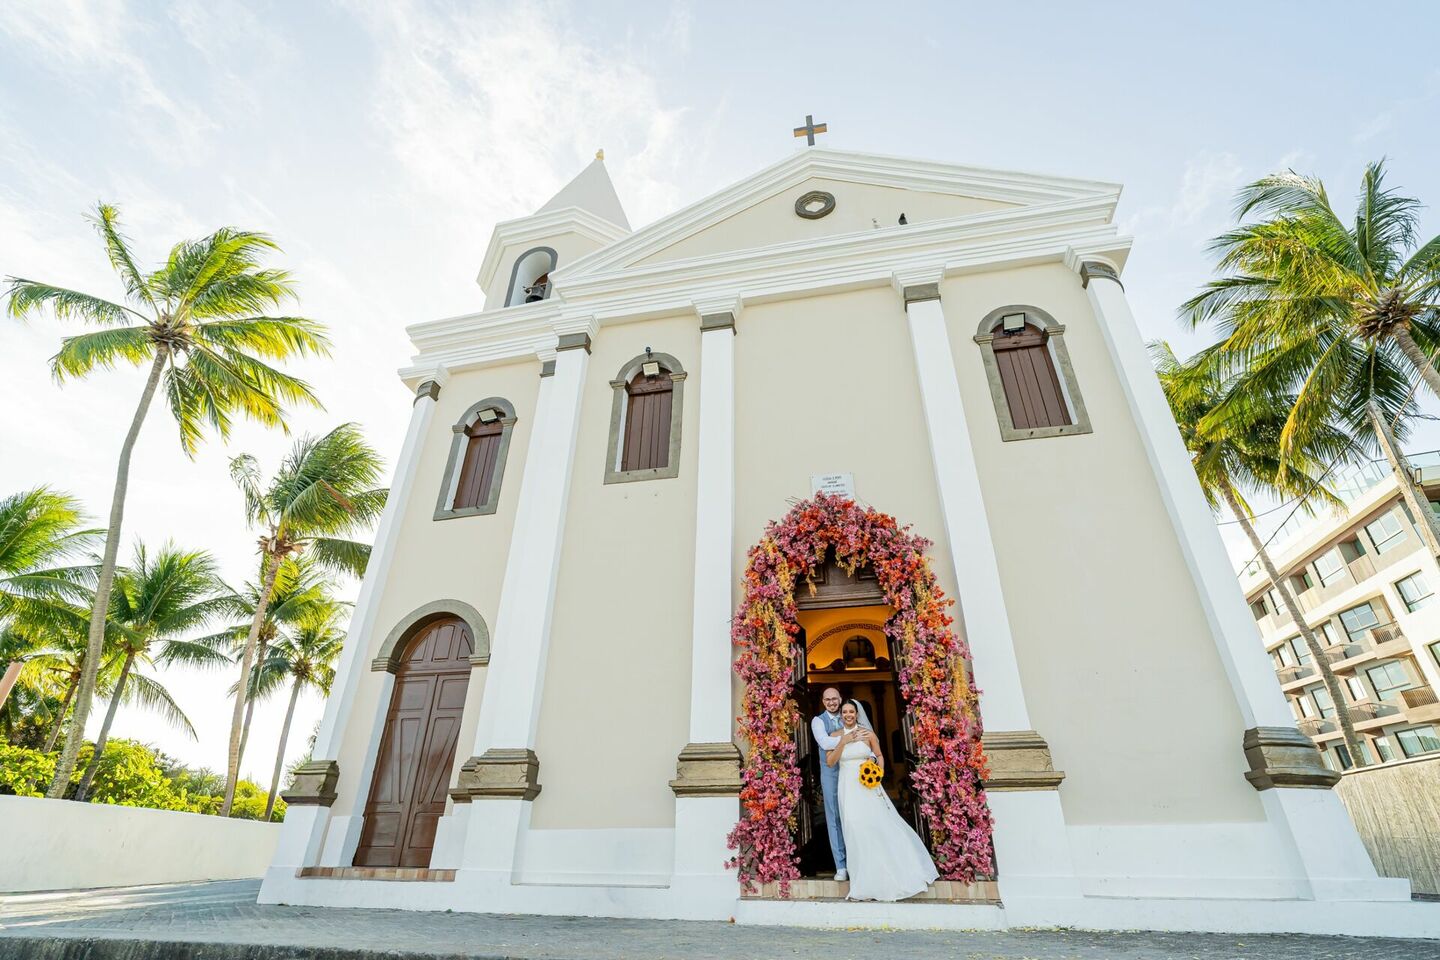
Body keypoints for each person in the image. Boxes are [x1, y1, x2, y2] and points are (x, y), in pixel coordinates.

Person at [825, 699, 938, 901]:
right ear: (841, 715)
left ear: (857, 715)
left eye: (852, 711)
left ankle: (888, 875)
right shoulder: (834, 736)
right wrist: (844, 741)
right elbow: (831, 762)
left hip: (867, 787)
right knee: (853, 827)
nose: (848, 715)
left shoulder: (869, 735)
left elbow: (879, 755)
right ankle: (862, 881)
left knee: (876, 825)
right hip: (847, 788)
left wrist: (878, 772)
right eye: (845, 712)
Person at [809, 687, 870, 881]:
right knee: (835, 818)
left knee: (855, 815)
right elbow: (825, 743)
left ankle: (860, 862)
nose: (831, 702)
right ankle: (841, 866)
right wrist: (845, 739)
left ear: (840, 699)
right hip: (831, 775)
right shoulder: (818, 721)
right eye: (828, 699)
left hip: (852, 772)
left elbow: (865, 743)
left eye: (835, 699)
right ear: (823, 701)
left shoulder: (849, 717)